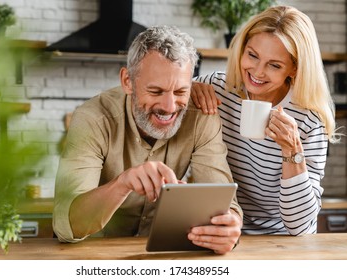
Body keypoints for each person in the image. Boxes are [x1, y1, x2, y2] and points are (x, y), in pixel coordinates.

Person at [53, 25, 243, 254]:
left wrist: (229, 228)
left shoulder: (202, 117)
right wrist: (122, 184)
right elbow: (66, 225)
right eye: (155, 91)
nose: (169, 107)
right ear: (128, 81)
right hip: (96, 256)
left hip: (165, 255)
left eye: (181, 91)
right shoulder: (93, 119)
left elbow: (223, 203)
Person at [191, 5, 340, 235]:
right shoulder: (219, 89)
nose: (258, 72)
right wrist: (188, 89)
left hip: (280, 240)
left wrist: (292, 149)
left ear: (294, 69)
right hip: (222, 229)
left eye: (274, 65)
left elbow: (300, 227)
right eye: (252, 55)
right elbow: (168, 93)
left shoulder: (309, 120)